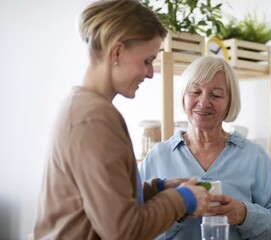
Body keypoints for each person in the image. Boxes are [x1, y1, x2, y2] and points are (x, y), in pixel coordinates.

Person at [33, 1, 210, 239]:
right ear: (116, 52)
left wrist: (154, 191)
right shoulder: (94, 118)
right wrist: (181, 200)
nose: (149, 73)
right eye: (147, 60)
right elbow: (123, 230)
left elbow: (97, 200)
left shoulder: (81, 106)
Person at [139, 56, 271, 239]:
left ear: (230, 102)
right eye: (195, 91)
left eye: (216, 95)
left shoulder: (254, 157)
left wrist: (245, 215)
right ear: (183, 96)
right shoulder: (158, 156)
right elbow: (135, 228)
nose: (203, 103)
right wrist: (173, 209)